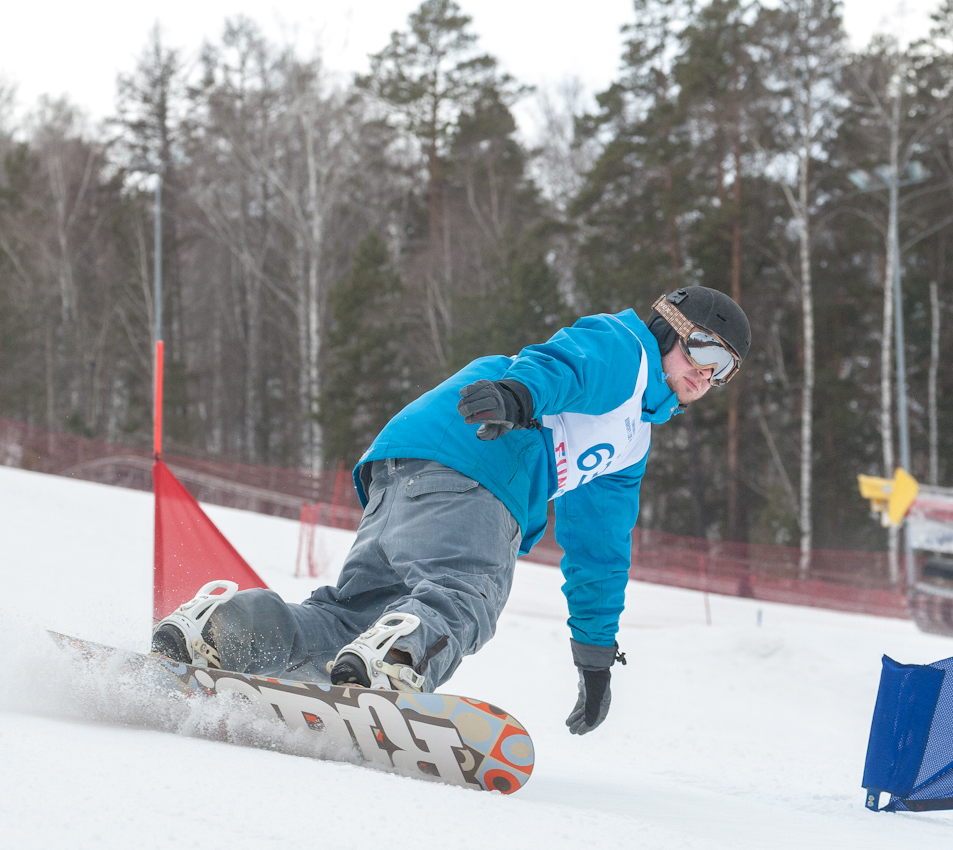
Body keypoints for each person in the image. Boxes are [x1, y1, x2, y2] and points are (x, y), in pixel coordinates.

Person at [152, 286, 750, 735]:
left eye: (723, 369)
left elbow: (601, 548)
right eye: (702, 349)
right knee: (464, 596)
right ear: (667, 330)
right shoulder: (627, 350)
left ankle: (225, 631)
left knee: (352, 618)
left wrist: (595, 658)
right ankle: (394, 668)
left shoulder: (632, 441)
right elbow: (568, 360)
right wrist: (518, 395)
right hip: (479, 461)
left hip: (405, 467)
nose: (705, 373)